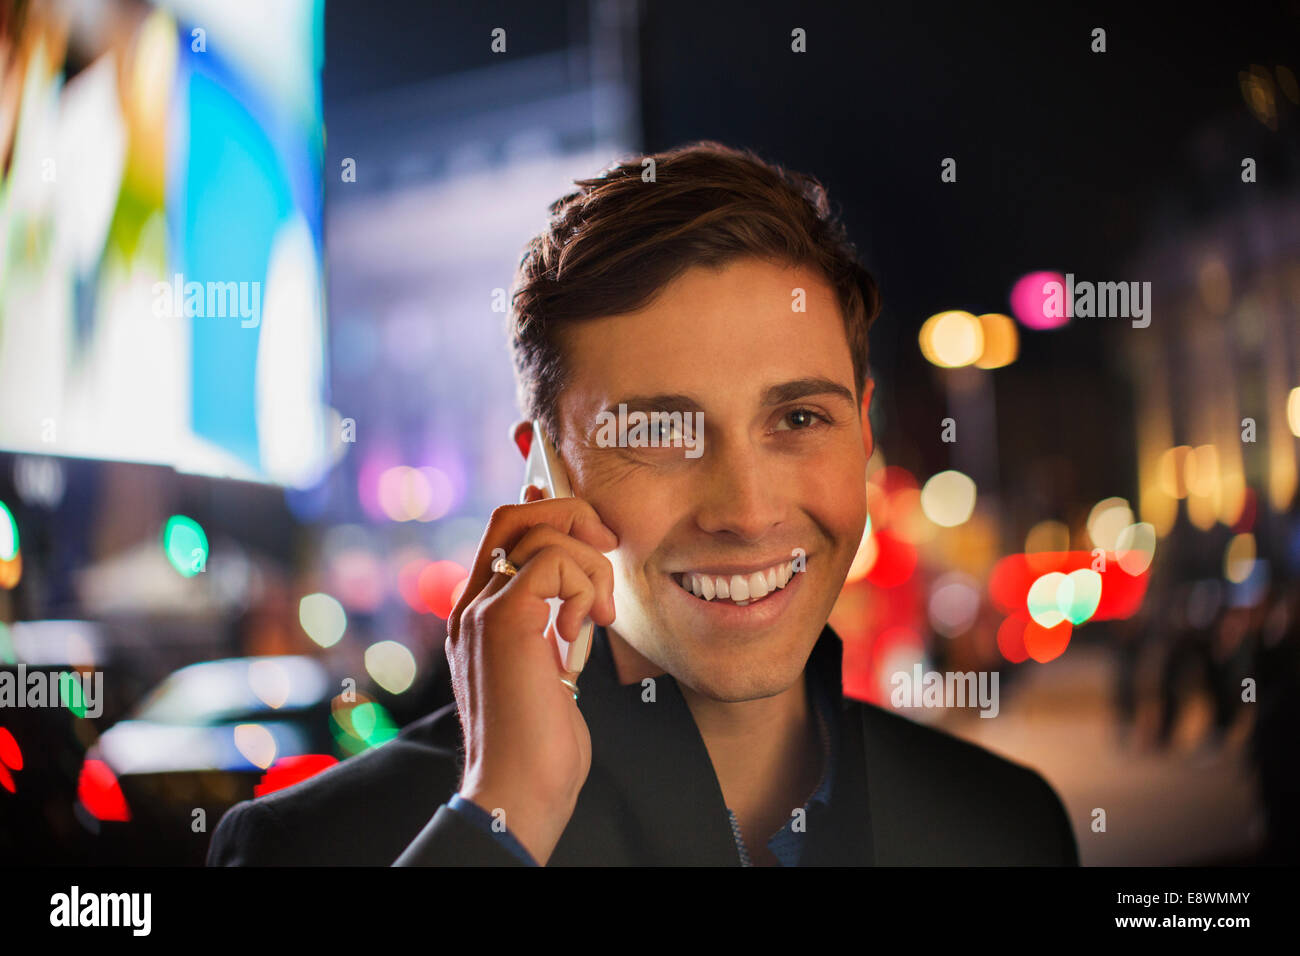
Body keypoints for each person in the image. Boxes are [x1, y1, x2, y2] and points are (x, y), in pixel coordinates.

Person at [208, 142, 1078, 866]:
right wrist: (498, 821)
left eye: (800, 417)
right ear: (543, 477)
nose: (745, 508)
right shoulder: (307, 848)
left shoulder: (1007, 828)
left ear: (861, 438)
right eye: (662, 434)